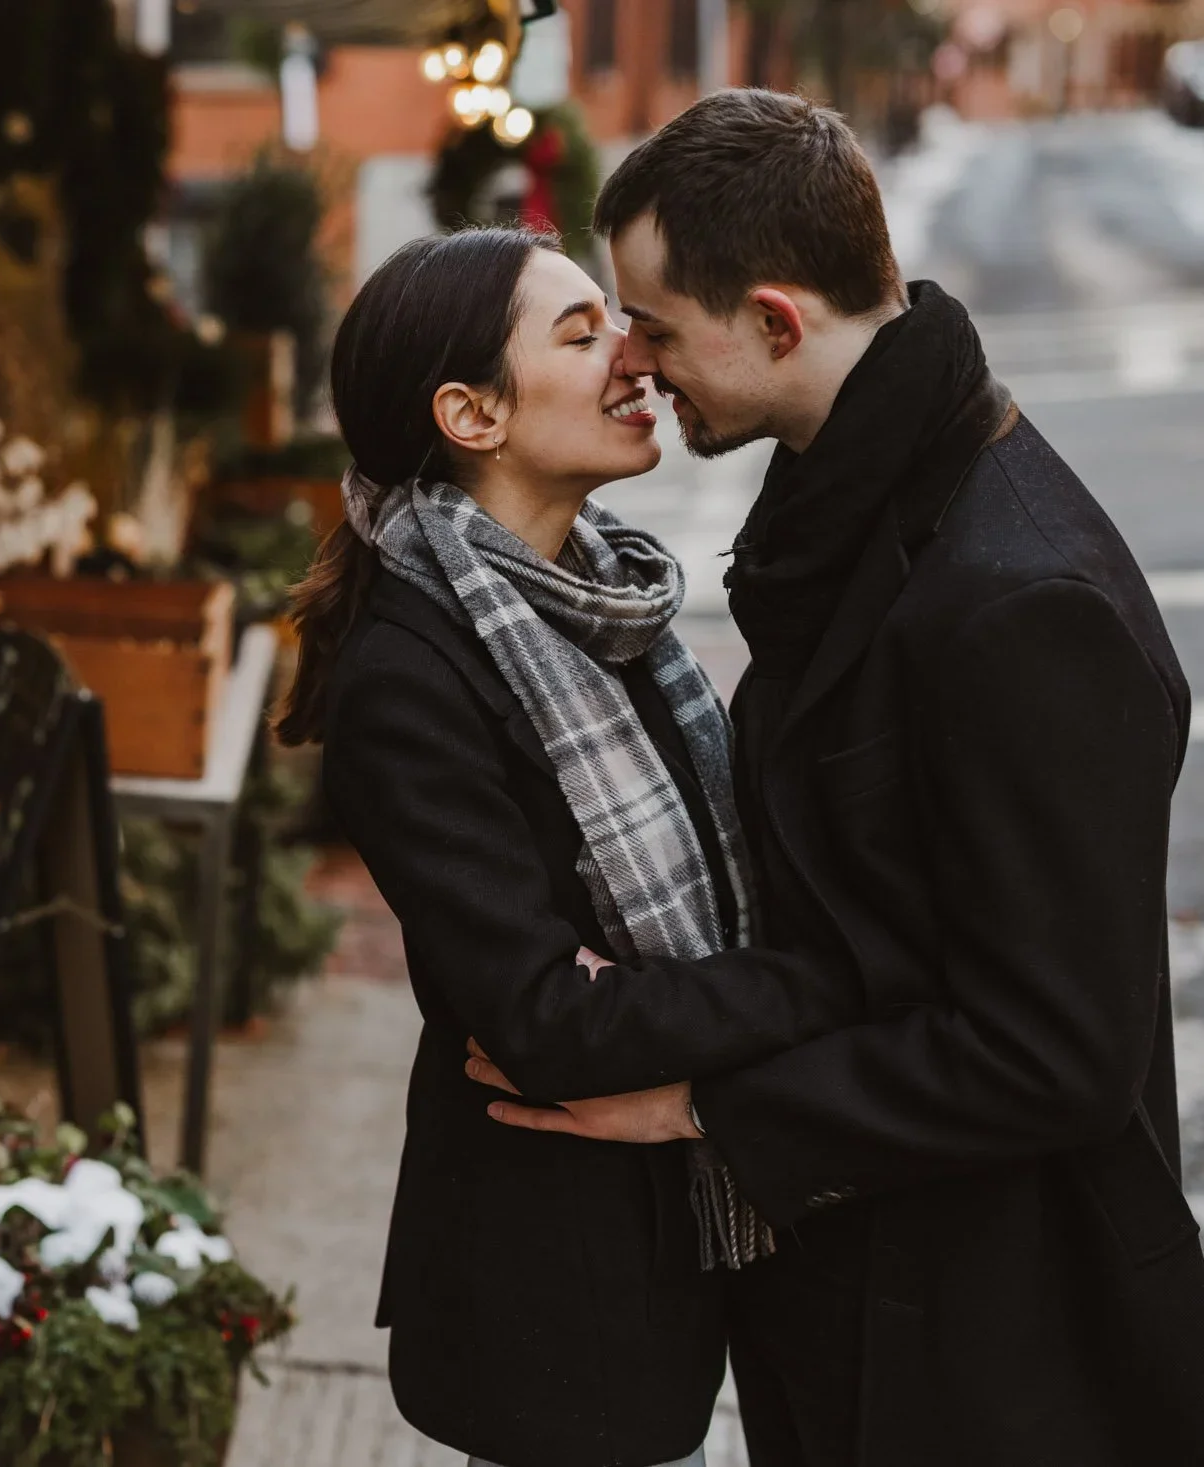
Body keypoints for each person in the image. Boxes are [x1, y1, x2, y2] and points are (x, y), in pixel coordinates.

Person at [468, 89, 1204, 1467]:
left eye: (657, 326)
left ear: (777, 320)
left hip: (1004, 1352)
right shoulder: (856, 506)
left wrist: (703, 1102)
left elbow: (1056, 1055)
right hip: (867, 1297)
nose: (634, 361)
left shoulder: (1017, 599)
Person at [279, 226, 865, 1467]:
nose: (635, 357)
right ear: (470, 414)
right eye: (582, 333)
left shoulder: (603, 599)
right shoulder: (411, 677)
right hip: (555, 1286)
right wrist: (826, 982)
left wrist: (653, 998)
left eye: (623, 323)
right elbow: (545, 1025)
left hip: (675, 1233)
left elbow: (624, 977)